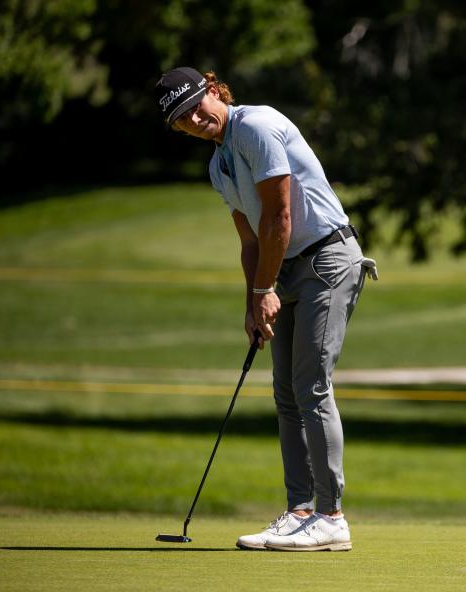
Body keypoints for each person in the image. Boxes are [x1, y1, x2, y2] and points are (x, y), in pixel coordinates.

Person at [155, 66, 374, 551]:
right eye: (181, 119)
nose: (194, 119)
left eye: (196, 105)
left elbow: (281, 216)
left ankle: (330, 516)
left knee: (310, 386)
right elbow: (251, 239)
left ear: (214, 90)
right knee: (286, 395)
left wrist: (265, 288)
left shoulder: (256, 125)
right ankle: (299, 511)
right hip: (285, 266)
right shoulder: (219, 166)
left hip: (327, 259)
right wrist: (253, 304)